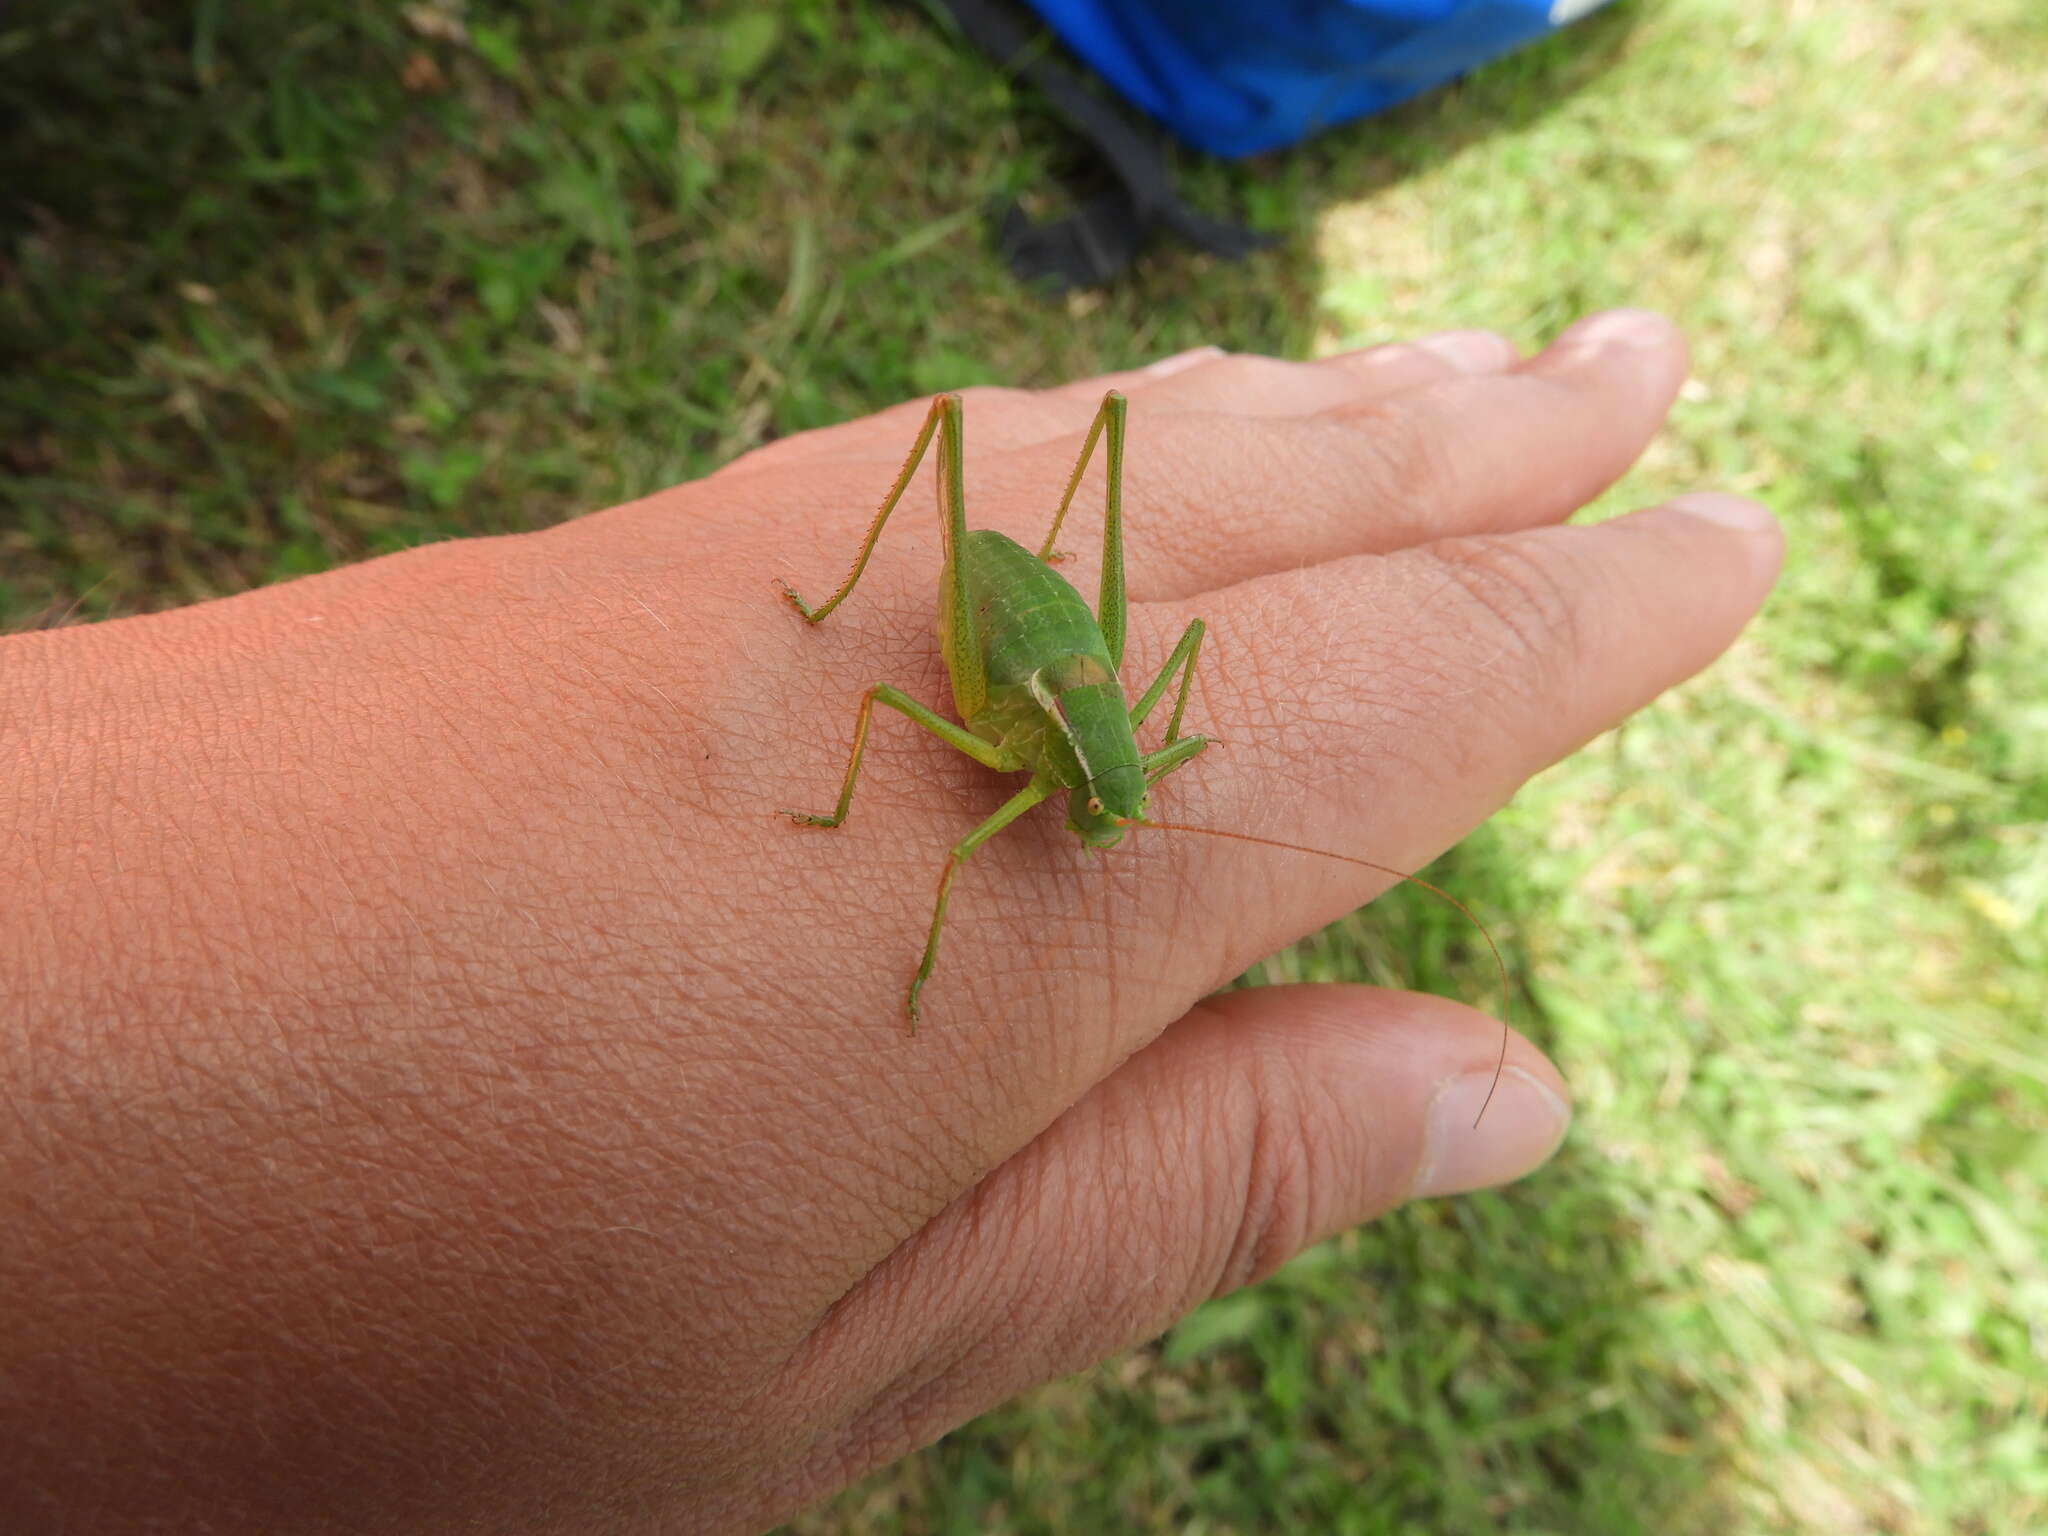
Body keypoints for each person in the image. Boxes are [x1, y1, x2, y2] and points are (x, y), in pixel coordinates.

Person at [0, 311, 1781, 1533]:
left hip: (1075, 668)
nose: (1095, 830)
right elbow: (894, 747)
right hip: (985, 658)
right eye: (1096, 804)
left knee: (1116, 647)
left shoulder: (1123, 754)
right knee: (908, 723)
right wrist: (921, 911)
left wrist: (1136, 768)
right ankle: (860, 575)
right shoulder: (1002, 769)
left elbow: (1152, 706)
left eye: (1106, 803)